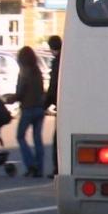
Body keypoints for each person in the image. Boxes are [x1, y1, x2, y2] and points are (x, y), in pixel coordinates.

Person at [10, 45, 45, 177]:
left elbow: (20, 93)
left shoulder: (24, 73)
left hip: (28, 109)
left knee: (20, 136)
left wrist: (10, 99)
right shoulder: (38, 71)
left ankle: (31, 164)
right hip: (39, 109)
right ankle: (40, 168)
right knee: (37, 139)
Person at [44, 35, 61, 178]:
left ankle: (58, 168)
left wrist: (45, 103)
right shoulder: (69, 58)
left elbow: (54, 86)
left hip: (62, 106)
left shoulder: (57, 62)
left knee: (58, 139)